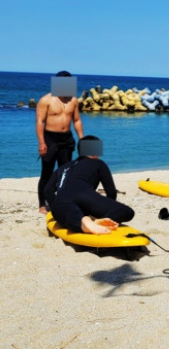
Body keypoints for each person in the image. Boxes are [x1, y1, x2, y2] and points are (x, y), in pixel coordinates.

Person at [44, 136, 134, 234]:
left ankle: (82, 222)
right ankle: (98, 221)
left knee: (72, 214)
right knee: (125, 211)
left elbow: (47, 190)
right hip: (84, 194)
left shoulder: (63, 167)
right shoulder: (98, 163)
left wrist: (55, 207)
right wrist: (104, 211)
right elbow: (111, 192)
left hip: (60, 201)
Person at [36, 71, 84, 214]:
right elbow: (40, 122)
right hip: (50, 140)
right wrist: (42, 143)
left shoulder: (73, 100)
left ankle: (63, 201)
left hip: (67, 140)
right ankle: (42, 204)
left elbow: (77, 120)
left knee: (66, 173)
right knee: (46, 173)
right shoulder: (45, 100)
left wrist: (82, 139)